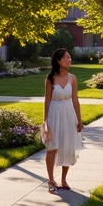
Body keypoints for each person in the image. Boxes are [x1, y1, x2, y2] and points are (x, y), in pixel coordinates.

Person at [42, 47, 83, 193]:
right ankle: (51, 180)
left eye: (70, 57)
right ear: (59, 61)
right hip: (54, 113)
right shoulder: (50, 78)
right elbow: (46, 101)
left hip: (68, 114)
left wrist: (79, 120)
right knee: (52, 147)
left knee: (67, 146)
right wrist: (45, 121)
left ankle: (64, 180)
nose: (69, 60)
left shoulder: (73, 78)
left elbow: (76, 101)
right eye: (66, 57)